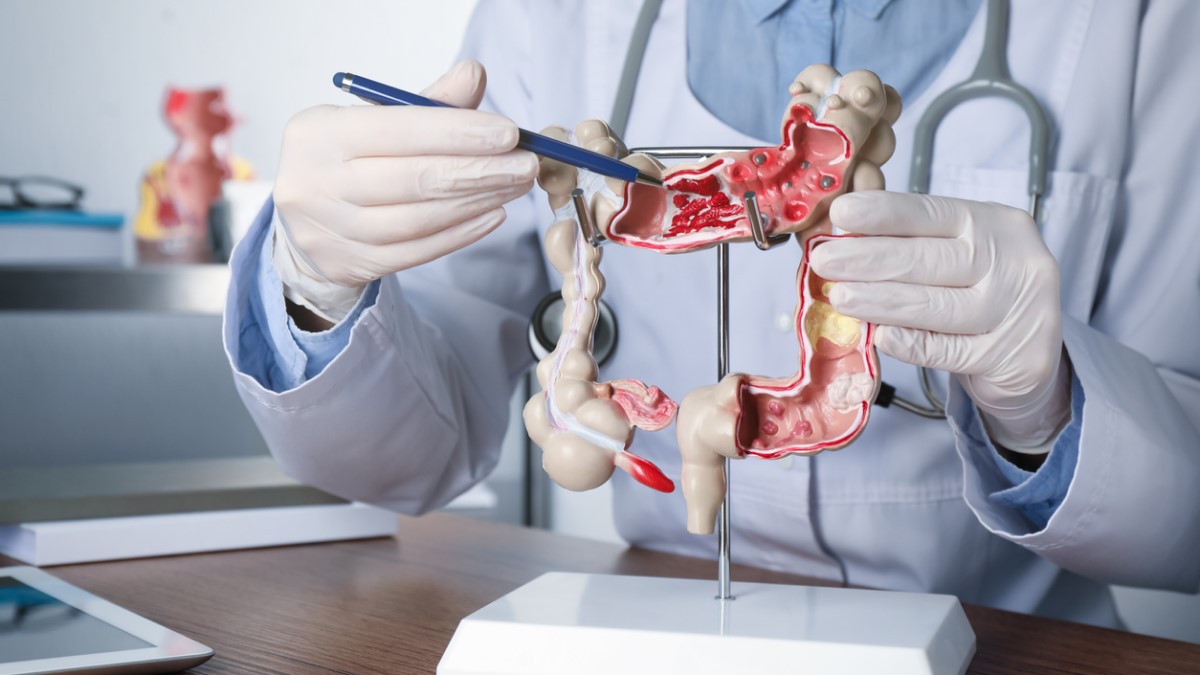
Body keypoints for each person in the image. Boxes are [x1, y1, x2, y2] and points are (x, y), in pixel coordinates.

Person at [223, 0, 1200, 628]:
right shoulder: (550, 18)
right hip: (652, 623)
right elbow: (407, 453)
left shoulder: (1147, 24)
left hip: (1010, 641)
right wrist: (318, 282)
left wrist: (1044, 406)